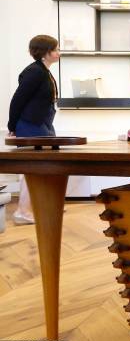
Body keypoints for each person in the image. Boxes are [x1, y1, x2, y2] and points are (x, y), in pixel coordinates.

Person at [7, 35, 60, 224]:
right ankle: (22, 212)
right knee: (32, 169)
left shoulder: (44, 71)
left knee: (43, 169)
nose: (58, 52)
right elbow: (17, 100)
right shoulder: (35, 72)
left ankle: (34, 208)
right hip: (30, 125)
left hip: (42, 124)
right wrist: (12, 126)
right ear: (45, 52)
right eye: (55, 49)